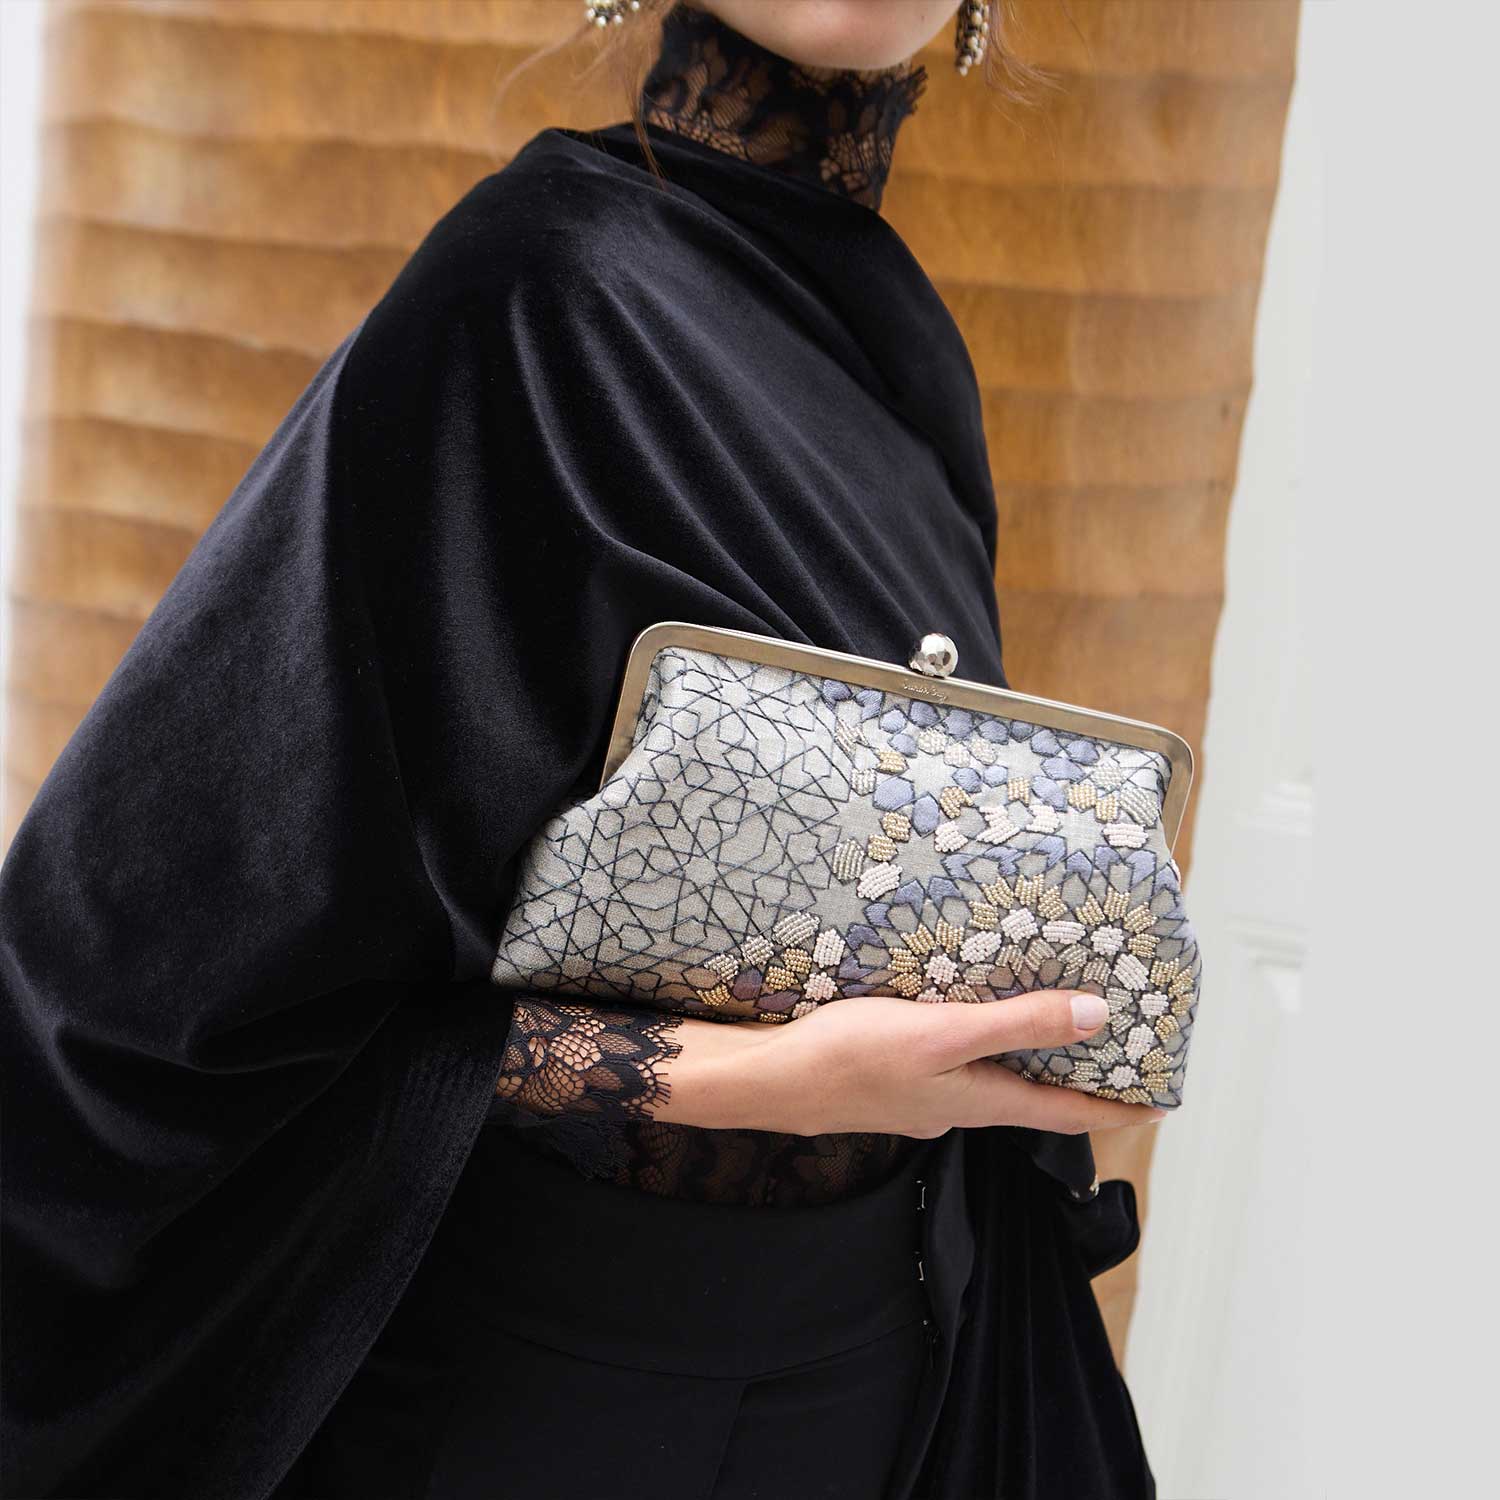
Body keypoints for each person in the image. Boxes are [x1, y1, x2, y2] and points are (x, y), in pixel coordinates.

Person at [0, 2, 1168, 1496]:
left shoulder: (903, 349)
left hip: (879, 1355)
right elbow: (164, 964)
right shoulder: (522, 288)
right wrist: (765, 1080)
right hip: (542, 1381)